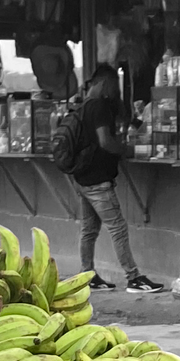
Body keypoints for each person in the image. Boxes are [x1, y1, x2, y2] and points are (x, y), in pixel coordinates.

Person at [65, 64, 162, 293]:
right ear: (103, 82)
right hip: (98, 180)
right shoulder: (98, 107)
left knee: (89, 230)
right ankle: (133, 278)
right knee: (117, 228)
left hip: (82, 178)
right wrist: (126, 150)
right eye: (111, 84)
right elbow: (105, 141)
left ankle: (87, 275)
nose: (114, 89)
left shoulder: (82, 106)